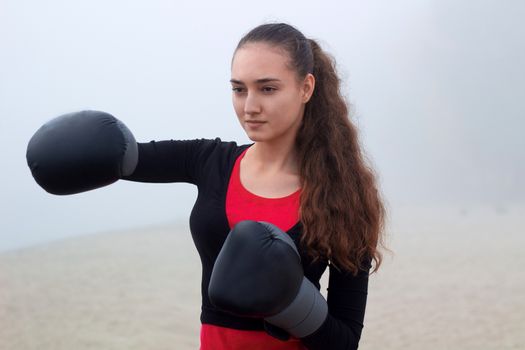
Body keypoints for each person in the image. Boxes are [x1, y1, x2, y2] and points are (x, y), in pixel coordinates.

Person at [26, 22, 387, 350]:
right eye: (238, 89)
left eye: (267, 88)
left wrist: (293, 302)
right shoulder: (209, 160)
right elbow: (127, 158)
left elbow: (345, 341)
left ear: (306, 87)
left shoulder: (343, 198)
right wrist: (79, 150)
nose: (250, 106)